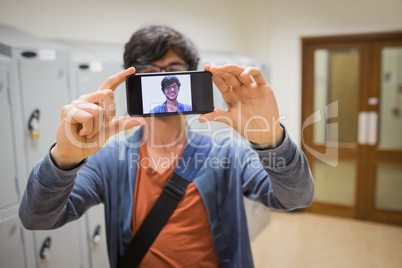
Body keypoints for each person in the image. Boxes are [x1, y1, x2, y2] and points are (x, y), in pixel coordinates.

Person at [19, 25, 314, 268]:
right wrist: (62, 160)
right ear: (134, 81)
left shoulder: (226, 154)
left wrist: (271, 140)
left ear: (189, 77)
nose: (164, 79)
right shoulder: (110, 160)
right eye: (150, 70)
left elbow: (296, 197)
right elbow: (36, 218)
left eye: (174, 69)